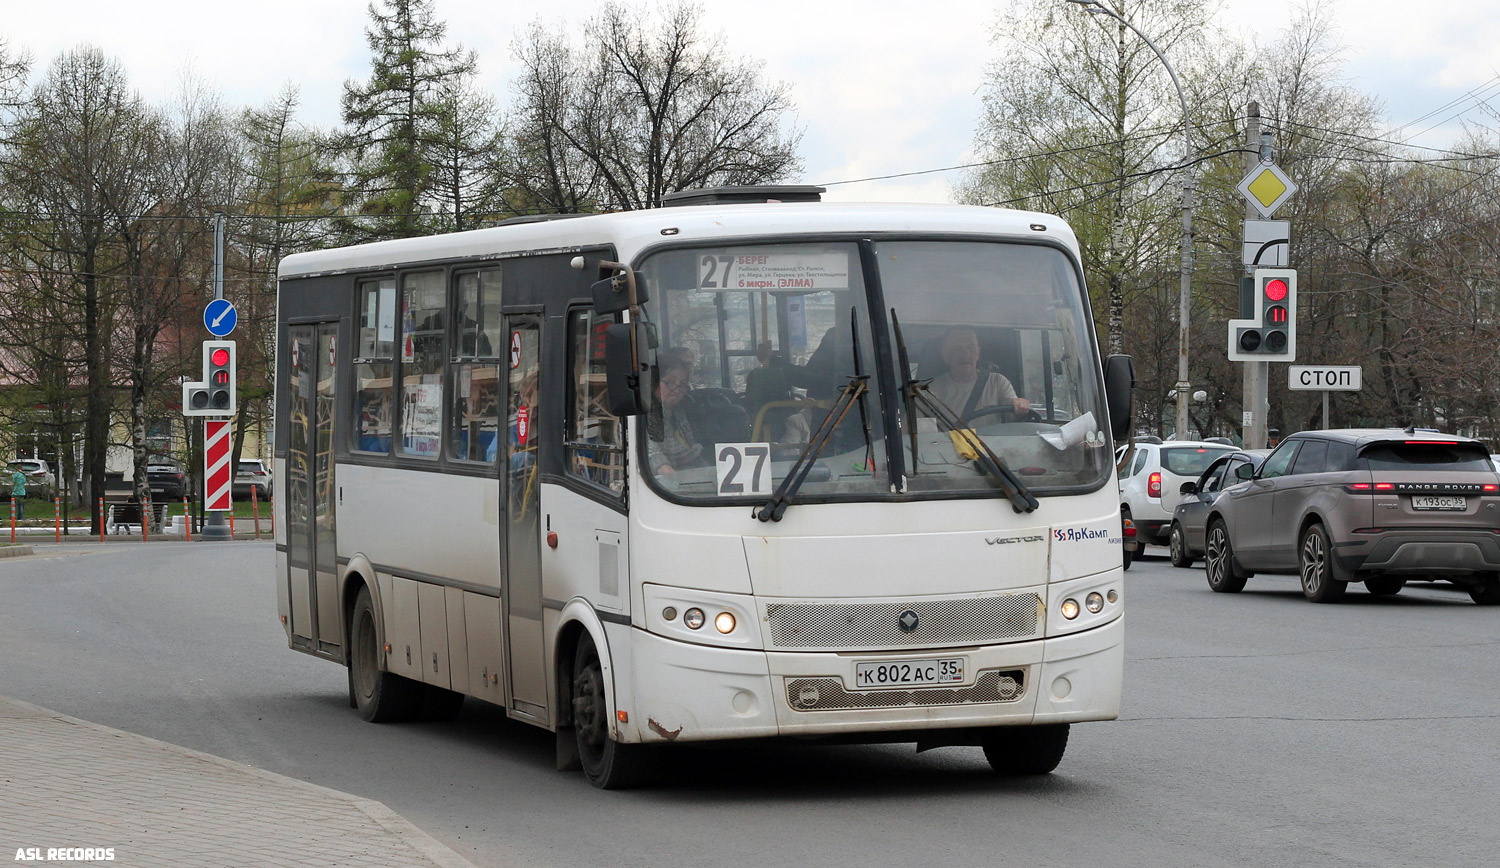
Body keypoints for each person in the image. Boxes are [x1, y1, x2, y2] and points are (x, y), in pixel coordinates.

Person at [926, 326, 1030, 421]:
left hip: (990, 442)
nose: (966, 353)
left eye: (971, 347)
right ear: (946, 356)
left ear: (978, 353)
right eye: (958, 348)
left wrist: (1020, 406)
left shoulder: (997, 382)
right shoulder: (931, 391)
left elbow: (1012, 416)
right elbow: (923, 430)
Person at [647, 359, 704, 474]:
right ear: (655, 383)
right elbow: (655, 458)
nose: (677, 390)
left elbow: (691, 450)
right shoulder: (647, 414)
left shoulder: (679, 413)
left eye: (682, 384)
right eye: (671, 382)